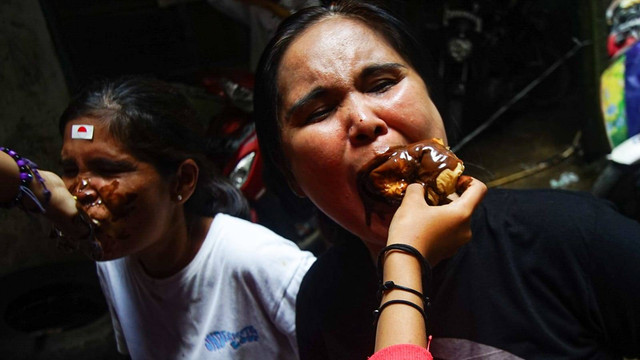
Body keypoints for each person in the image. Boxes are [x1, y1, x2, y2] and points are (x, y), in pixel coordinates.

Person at [253, 1, 640, 359]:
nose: (365, 121)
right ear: (291, 175)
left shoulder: (577, 236)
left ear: (432, 96)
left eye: (382, 84)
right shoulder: (321, 302)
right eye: (319, 111)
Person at [1, 76, 316, 359]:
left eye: (108, 170)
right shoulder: (114, 261)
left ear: (181, 182)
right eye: (70, 170)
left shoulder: (261, 263)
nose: (80, 191)